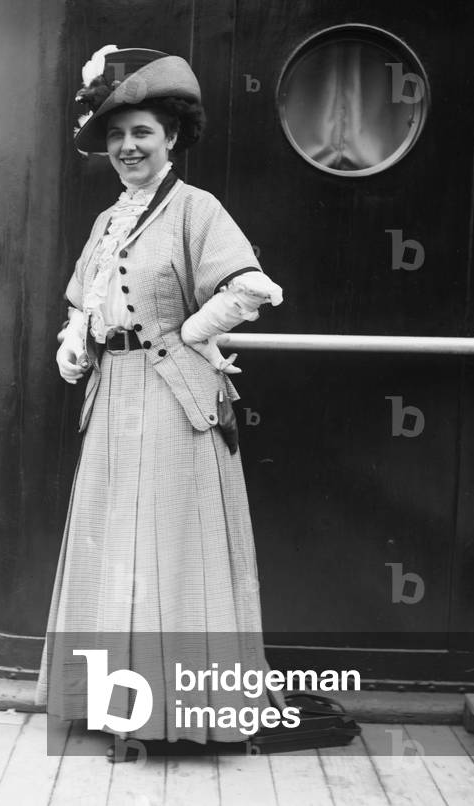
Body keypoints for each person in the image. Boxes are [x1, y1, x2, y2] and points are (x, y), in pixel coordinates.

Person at [33, 47, 287, 760]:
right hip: (113, 398)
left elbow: (248, 285)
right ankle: (114, 705)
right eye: (115, 136)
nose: (127, 148)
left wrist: (192, 331)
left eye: (141, 132)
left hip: (174, 400)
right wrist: (72, 343)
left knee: (169, 547)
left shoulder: (195, 209)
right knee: (115, 545)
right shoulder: (111, 219)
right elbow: (86, 303)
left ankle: (180, 711)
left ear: (172, 135)